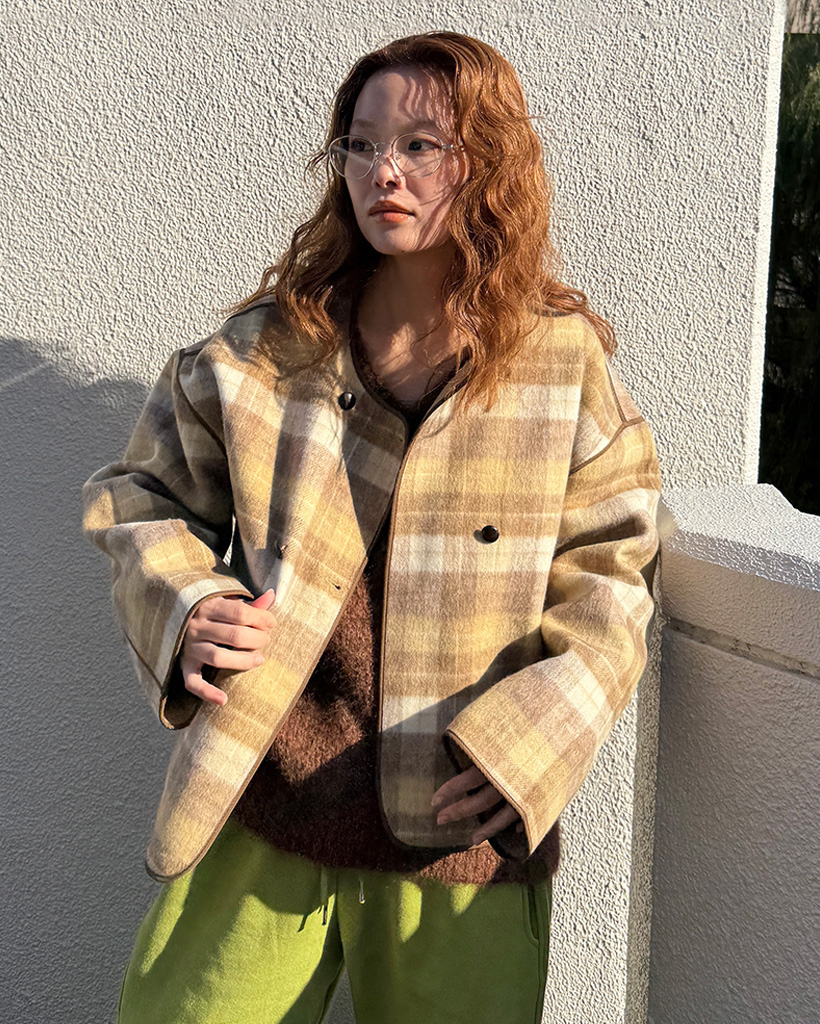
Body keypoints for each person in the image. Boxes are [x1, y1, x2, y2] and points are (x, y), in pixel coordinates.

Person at [84, 31, 661, 1024]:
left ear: (486, 161)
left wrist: (531, 744)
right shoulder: (269, 350)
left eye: (421, 145)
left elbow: (615, 575)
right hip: (265, 803)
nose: (383, 171)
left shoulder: (560, 366)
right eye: (361, 144)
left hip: (459, 827)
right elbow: (140, 497)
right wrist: (187, 607)